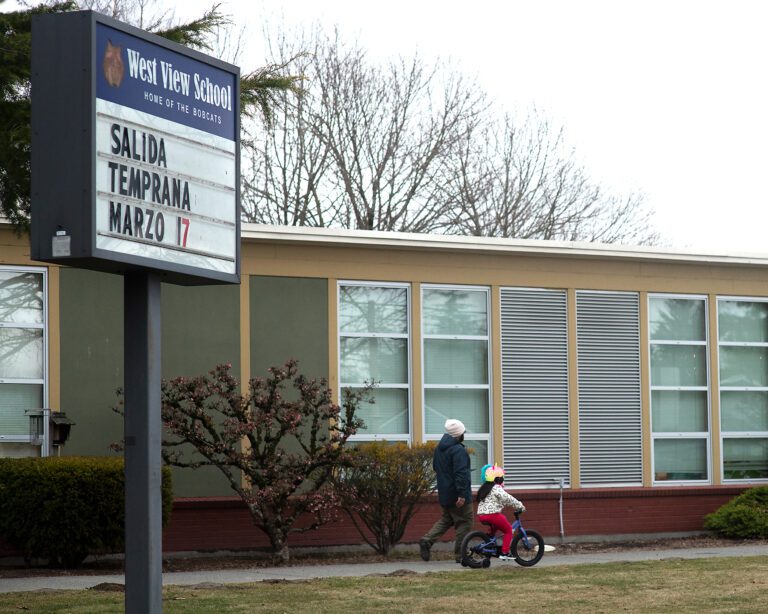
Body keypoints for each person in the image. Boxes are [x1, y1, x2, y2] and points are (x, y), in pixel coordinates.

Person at [419, 418, 473, 563]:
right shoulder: (458, 450)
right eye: (463, 432)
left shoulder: (439, 448)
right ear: (458, 434)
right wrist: (462, 494)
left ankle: (427, 540)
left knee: (447, 519)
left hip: (444, 493)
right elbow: (461, 473)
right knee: (465, 522)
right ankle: (461, 555)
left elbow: (436, 468)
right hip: (457, 494)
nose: (464, 434)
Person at [476, 464, 525, 560]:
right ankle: (504, 552)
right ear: (497, 478)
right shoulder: (496, 488)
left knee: (495, 529)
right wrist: (519, 505)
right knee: (508, 530)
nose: (503, 479)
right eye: (502, 477)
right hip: (492, 515)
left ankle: (488, 543)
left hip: (482, 516)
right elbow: (507, 498)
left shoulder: (485, 488)